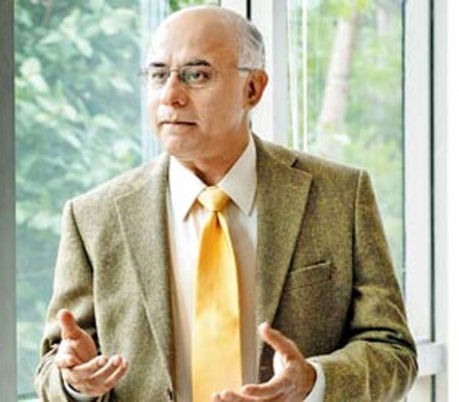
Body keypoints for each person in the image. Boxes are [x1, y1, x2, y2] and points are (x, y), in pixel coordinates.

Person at [35, 5, 417, 402]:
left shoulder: (340, 195)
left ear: (253, 88)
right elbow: (53, 365)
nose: (171, 96)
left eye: (196, 75)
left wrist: (313, 381)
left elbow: (392, 349)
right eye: (158, 75)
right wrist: (75, 383)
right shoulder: (93, 216)